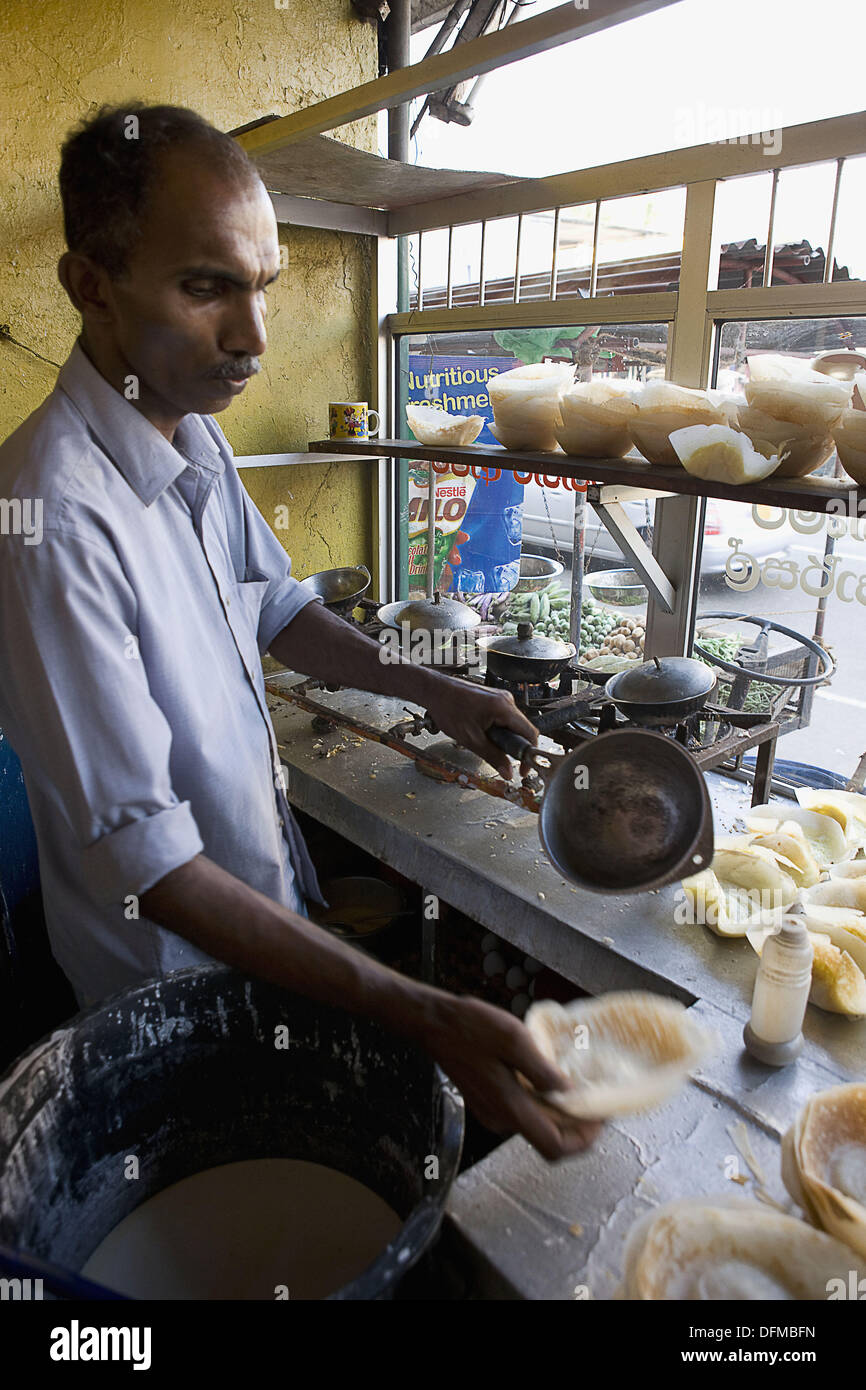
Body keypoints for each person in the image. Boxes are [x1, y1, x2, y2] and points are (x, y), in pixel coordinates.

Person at [0, 103, 598, 1161]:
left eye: (262, 285)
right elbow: (152, 863)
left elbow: (277, 607)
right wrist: (415, 1008)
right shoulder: (48, 515)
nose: (254, 338)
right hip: (167, 1000)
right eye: (205, 288)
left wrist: (440, 685)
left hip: (263, 937)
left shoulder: (186, 432)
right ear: (90, 284)